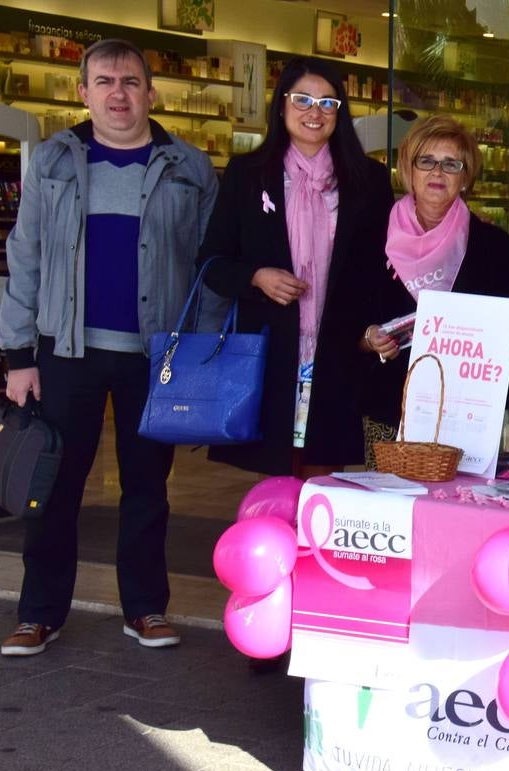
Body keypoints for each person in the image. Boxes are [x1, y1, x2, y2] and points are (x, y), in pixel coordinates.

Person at [0, 39, 218, 656]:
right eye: (104, 82)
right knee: (56, 485)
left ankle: (145, 608)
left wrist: (200, 360)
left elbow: (211, 270)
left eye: (129, 82)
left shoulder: (190, 167)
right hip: (67, 352)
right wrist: (17, 356)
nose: (118, 94)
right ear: (83, 92)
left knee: (148, 487)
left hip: (158, 355)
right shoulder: (52, 162)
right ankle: (39, 613)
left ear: (152, 93)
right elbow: (27, 257)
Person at [197, 57, 394, 477]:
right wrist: (256, 277)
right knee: (278, 480)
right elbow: (212, 263)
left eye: (327, 103)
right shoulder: (247, 174)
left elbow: (381, 269)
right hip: (271, 353)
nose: (314, 111)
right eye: (303, 99)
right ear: (281, 105)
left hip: (337, 353)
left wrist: (372, 330)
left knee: (325, 477)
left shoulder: (368, 181)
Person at [361, 115, 509, 465]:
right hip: (392, 406)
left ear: (465, 178)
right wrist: (369, 337)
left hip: (466, 413)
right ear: (409, 171)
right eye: (426, 161)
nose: (437, 172)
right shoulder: (374, 238)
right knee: (391, 509)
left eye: (451, 164)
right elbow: (350, 317)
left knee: (457, 510)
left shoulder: (492, 244)